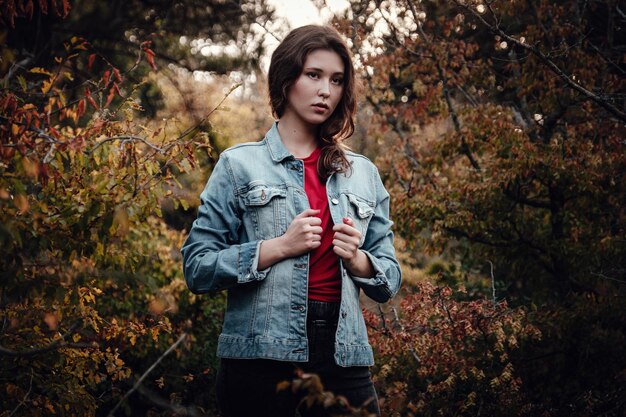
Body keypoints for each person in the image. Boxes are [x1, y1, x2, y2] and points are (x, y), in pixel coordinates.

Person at [181, 24, 401, 417]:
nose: (325, 91)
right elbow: (197, 267)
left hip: (344, 355)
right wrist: (277, 247)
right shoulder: (239, 164)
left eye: (336, 81)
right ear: (286, 79)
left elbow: (389, 279)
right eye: (313, 75)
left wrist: (358, 261)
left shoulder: (364, 174)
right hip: (260, 355)